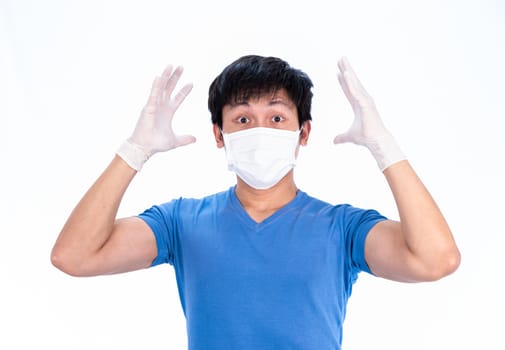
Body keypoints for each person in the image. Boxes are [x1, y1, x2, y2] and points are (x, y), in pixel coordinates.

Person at [51, 55, 460, 349]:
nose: (260, 129)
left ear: (303, 133)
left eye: (277, 117)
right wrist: (135, 150)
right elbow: (74, 256)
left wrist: (382, 145)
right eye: (243, 119)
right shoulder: (181, 222)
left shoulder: (342, 228)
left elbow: (436, 259)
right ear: (219, 134)